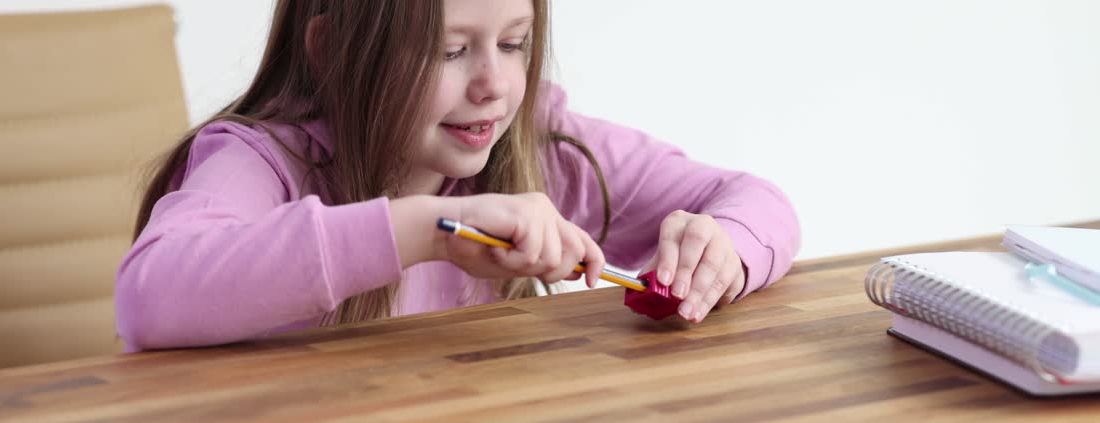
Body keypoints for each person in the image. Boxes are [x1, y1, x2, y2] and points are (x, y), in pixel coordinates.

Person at [116, 0, 800, 351]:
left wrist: (722, 250)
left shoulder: (539, 142)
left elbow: (755, 200)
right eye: (449, 51)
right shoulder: (260, 160)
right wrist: (430, 231)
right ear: (332, 53)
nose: (494, 85)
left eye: (514, 43)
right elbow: (150, 298)